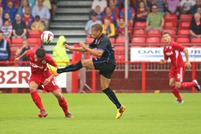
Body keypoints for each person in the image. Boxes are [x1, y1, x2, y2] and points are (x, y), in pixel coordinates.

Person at [48, 23, 126, 119]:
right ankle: (120, 107)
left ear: (98, 32)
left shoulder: (104, 39)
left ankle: (58, 71)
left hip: (106, 62)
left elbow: (99, 53)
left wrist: (85, 47)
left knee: (82, 63)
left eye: (93, 33)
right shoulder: (97, 39)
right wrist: (72, 48)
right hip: (110, 64)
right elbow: (86, 49)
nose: (91, 34)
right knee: (105, 87)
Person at [14, 48, 74, 118]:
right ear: (35, 54)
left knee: (58, 94)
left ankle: (67, 113)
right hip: (35, 75)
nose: (36, 60)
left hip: (46, 75)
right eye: (36, 57)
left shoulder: (48, 58)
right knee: (31, 88)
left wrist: (49, 78)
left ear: (43, 57)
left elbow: (56, 69)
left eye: (38, 59)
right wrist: (19, 58)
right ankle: (42, 110)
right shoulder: (30, 53)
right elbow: (26, 52)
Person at [160, 32, 200, 103]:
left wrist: (187, 61)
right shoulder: (165, 49)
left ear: (170, 37)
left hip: (180, 66)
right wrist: (164, 61)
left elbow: (185, 50)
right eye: (164, 37)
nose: (165, 38)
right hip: (173, 67)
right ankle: (179, 99)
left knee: (178, 85)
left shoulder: (174, 44)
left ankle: (193, 83)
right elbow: (166, 59)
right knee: (171, 84)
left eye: (166, 37)